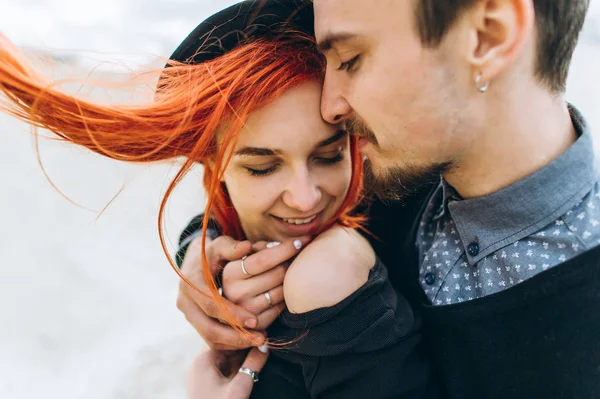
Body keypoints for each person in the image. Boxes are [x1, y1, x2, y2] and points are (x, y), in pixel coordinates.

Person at [0, 1, 441, 398]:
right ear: (215, 170)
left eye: (328, 156)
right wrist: (199, 248)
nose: (306, 198)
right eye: (262, 167)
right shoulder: (224, 257)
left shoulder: (410, 200)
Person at [178, 0, 600, 398]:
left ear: (488, 36)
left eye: (349, 59)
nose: (330, 104)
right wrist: (203, 251)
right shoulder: (403, 176)